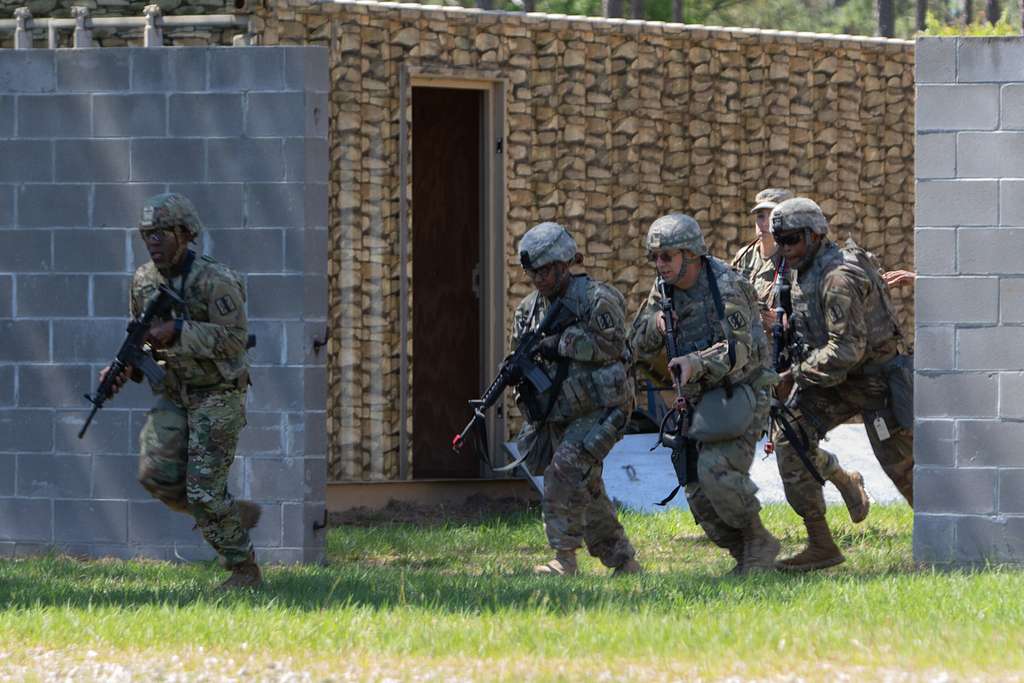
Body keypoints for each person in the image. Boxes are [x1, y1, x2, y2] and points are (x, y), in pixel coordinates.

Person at [99, 193, 261, 589]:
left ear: (186, 234)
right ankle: (224, 514)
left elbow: (235, 340)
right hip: (175, 391)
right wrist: (124, 369)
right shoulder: (143, 282)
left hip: (217, 392)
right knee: (155, 475)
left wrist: (179, 331)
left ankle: (243, 569)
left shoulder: (215, 280)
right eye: (147, 235)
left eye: (161, 233)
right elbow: (142, 339)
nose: (153, 242)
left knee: (204, 489)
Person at [629, 213, 780, 574]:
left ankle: (758, 540)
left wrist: (696, 362)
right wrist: (657, 325)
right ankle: (744, 554)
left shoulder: (726, 286)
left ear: (691, 255)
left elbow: (739, 350)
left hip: (742, 390)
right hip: (699, 400)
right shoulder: (663, 290)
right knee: (696, 491)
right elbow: (633, 342)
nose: (659, 265)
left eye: (667, 256)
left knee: (717, 470)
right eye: (655, 258)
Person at [769, 197, 914, 572]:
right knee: (790, 436)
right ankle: (821, 544)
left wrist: (794, 375)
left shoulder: (838, 276)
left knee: (907, 472)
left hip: (874, 383)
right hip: (835, 381)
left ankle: (950, 546)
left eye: (791, 239)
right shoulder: (800, 268)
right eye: (779, 239)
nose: (784, 248)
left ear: (815, 235)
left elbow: (846, 350)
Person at [733, 188, 871, 527]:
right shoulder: (745, 258)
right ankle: (842, 480)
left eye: (770, 214)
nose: (763, 222)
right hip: (751, 363)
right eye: (759, 215)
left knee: (791, 440)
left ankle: (834, 496)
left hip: (788, 364)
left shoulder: (797, 259)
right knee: (785, 441)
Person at [512, 222, 641, 577]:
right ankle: (623, 561)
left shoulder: (598, 298)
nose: (538, 279)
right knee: (586, 486)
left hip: (605, 407)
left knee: (564, 471)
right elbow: (522, 352)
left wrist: (559, 343)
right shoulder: (529, 310)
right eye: (531, 272)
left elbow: (612, 345)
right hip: (560, 410)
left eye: (544, 271)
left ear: (565, 263)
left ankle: (563, 558)